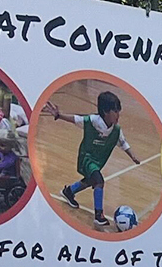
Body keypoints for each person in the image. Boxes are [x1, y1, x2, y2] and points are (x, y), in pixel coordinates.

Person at [48, 90, 140, 228]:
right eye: (115, 111)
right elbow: (75, 119)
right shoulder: (92, 121)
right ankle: (99, 216)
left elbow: (123, 143)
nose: (118, 115)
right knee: (99, 181)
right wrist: (59, 115)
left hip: (98, 160)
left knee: (92, 180)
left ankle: (69, 191)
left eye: (118, 111)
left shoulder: (116, 130)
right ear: (105, 111)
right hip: (87, 157)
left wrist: (133, 156)